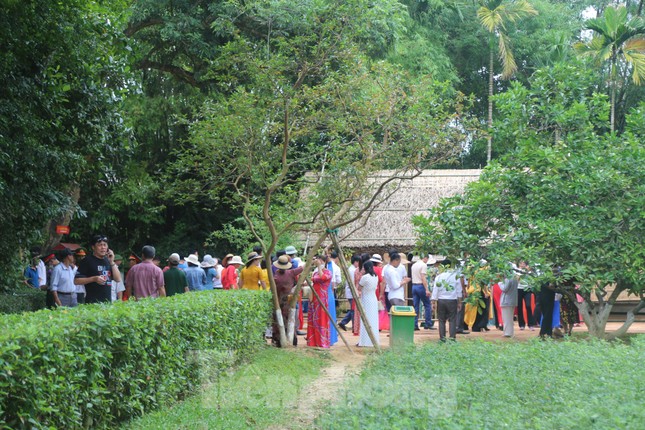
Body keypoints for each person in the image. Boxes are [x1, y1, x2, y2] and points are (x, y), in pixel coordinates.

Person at [74, 235, 121, 304]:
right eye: (100, 245)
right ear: (93, 247)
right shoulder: (87, 261)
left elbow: (118, 279)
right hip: (92, 303)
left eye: (105, 245)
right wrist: (93, 279)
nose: (103, 247)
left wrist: (112, 262)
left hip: (107, 303)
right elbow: (76, 281)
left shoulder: (108, 260)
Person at [272, 255, 305, 347]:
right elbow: (302, 268)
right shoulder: (291, 273)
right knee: (290, 320)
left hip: (278, 301)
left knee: (278, 320)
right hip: (289, 300)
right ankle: (292, 340)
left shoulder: (275, 277)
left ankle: (278, 340)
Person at [431, 259, 464, 342]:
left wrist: (433, 302)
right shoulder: (455, 276)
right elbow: (459, 290)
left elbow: (435, 289)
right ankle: (452, 338)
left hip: (441, 300)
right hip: (452, 300)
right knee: (452, 320)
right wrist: (459, 302)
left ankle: (442, 338)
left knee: (441, 320)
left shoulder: (439, 277)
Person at [307, 255, 332, 348]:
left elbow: (323, 278)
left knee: (321, 318)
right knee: (313, 318)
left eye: (320, 260)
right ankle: (313, 341)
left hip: (322, 297)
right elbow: (312, 281)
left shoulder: (328, 272)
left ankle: (322, 341)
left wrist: (319, 267)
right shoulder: (315, 273)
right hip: (314, 296)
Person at [358, 261, 379, 347]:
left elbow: (359, 287)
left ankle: (365, 341)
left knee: (365, 318)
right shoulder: (375, 276)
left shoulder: (365, 277)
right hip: (373, 298)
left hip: (366, 299)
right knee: (373, 319)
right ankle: (373, 340)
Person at [411, 254, 435, 330]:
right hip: (421, 286)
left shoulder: (414, 265)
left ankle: (415, 324)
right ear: (425, 258)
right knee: (427, 305)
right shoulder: (423, 265)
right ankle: (428, 323)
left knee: (416, 306)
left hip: (414, 286)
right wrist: (427, 289)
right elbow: (423, 277)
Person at [338, 255, 360, 331]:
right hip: (352, 293)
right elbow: (353, 282)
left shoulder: (352, 269)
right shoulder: (352, 270)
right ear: (356, 262)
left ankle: (343, 322)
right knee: (353, 310)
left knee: (353, 309)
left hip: (351, 292)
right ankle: (354, 326)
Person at [500, 269, 519, 338]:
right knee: (509, 318)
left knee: (506, 318)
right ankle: (509, 332)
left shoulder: (508, 279)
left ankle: (508, 333)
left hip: (506, 301)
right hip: (512, 300)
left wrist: (500, 283)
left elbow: (504, 289)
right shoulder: (515, 279)